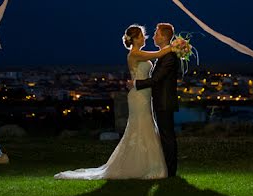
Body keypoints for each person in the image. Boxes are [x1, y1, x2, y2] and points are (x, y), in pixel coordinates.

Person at [54, 25, 172, 180]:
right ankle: (143, 165)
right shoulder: (135, 54)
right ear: (136, 39)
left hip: (144, 94)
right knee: (141, 126)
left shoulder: (138, 53)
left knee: (145, 126)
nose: (145, 38)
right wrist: (176, 46)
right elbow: (159, 54)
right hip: (139, 96)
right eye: (143, 36)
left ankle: (148, 164)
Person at [133, 22, 180, 177]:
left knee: (167, 136)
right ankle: (167, 169)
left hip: (165, 102)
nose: (154, 36)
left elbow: (157, 79)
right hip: (161, 101)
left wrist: (136, 84)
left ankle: (171, 171)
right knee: (166, 135)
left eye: (156, 34)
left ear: (164, 37)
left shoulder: (169, 57)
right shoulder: (165, 54)